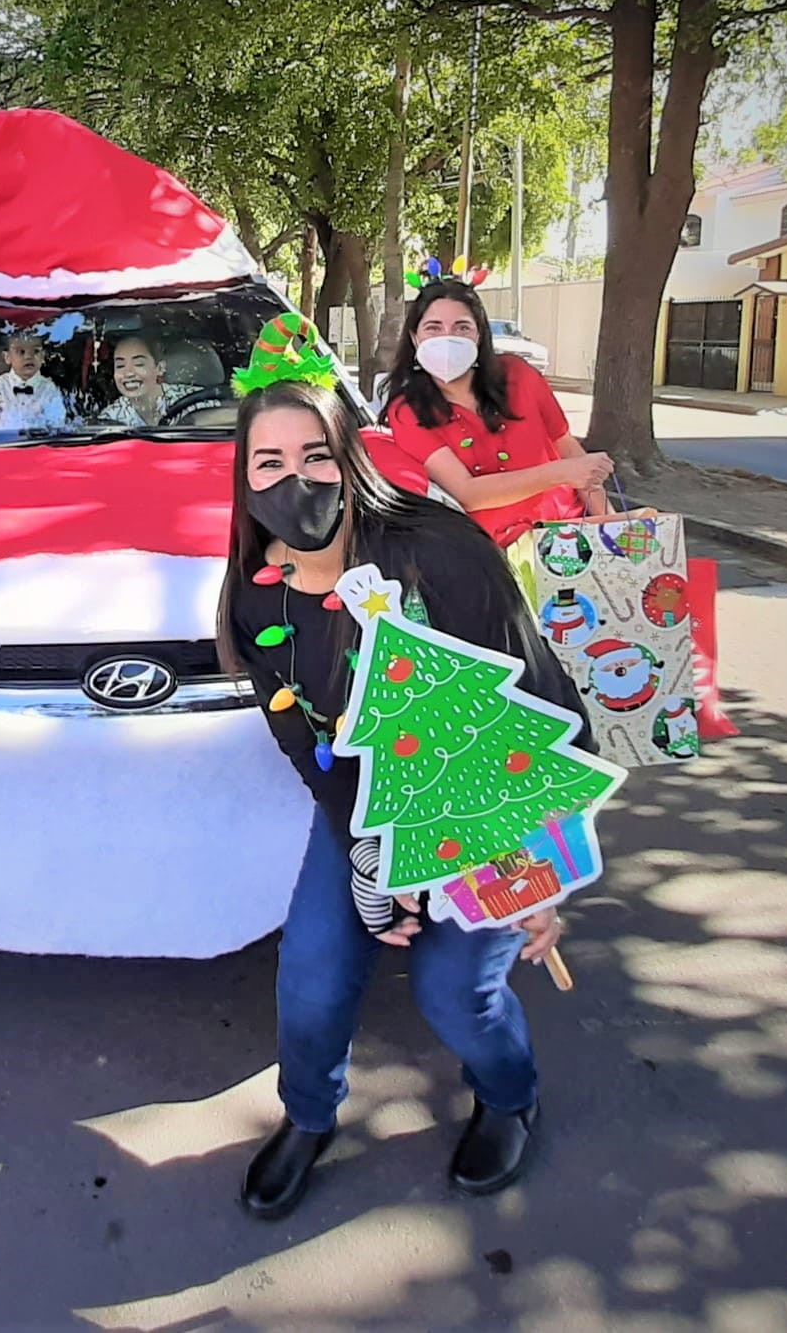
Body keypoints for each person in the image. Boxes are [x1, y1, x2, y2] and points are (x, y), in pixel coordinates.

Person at [218, 375, 592, 1216]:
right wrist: (366, 853)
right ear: (242, 481)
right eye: (268, 463)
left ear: (349, 457)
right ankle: (309, 1117)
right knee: (310, 976)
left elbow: (543, 705)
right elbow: (299, 735)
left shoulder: (438, 551)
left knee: (453, 993)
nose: (295, 481)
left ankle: (508, 1094)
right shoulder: (256, 593)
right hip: (364, 807)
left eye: (315, 456)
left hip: (487, 808)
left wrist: (541, 861)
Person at [382, 281, 613, 546]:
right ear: (414, 338)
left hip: (570, 535)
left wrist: (613, 525)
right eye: (433, 328)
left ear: (479, 335)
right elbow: (468, 493)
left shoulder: (519, 374)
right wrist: (561, 473)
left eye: (462, 327)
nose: (448, 338)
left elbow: (569, 450)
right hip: (493, 553)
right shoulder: (408, 410)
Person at [99, 335, 186, 427]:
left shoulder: (192, 401)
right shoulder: (109, 418)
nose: (129, 373)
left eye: (139, 364)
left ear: (160, 368)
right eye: (120, 366)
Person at [0, 333, 67, 430]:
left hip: (39, 443)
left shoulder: (49, 389)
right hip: (5, 443)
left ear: (43, 356)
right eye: (21, 352)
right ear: (7, 357)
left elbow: (57, 423)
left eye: (35, 351)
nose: (28, 357)